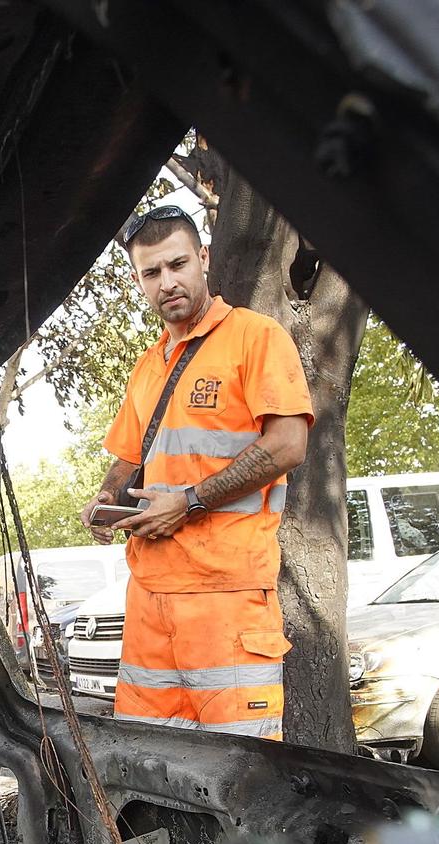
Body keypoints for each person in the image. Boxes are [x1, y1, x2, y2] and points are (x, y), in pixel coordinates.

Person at [79, 204, 313, 739]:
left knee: (242, 776)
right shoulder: (149, 362)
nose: (168, 283)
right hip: (149, 598)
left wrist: (188, 502)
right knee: (149, 767)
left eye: (177, 265)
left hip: (225, 595)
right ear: (138, 281)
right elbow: (129, 456)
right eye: (151, 273)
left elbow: (287, 444)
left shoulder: (256, 337)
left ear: (203, 259)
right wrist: (106, 498)